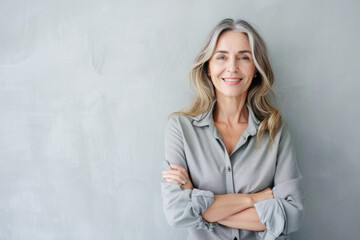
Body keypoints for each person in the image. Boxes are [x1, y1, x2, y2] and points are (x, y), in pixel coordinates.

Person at [161, 18, 304, 240]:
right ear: (208, 67)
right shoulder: (180, 129)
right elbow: (176, 213)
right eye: (221, 57)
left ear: (255, 68)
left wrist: (198, 203)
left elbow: (292, 215)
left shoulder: (276, 130)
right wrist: (254, 199)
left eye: (244, 57)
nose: (232, 67)